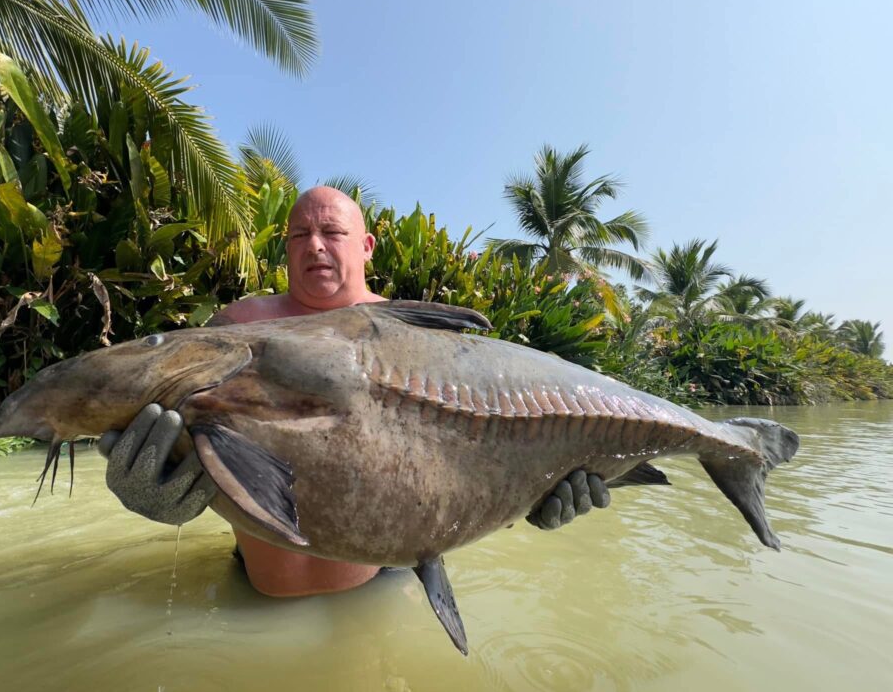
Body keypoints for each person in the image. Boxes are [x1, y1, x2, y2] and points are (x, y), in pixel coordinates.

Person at [98, 187, 610, 598]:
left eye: (331, 232)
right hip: (252, 586)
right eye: (300, 234)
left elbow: (470, 471)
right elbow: (170, 434)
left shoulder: (425, 340)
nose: (315, 245)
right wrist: (152, 490)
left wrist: (537, 495)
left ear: (365, 246)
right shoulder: (235, 325)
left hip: (380, 584)